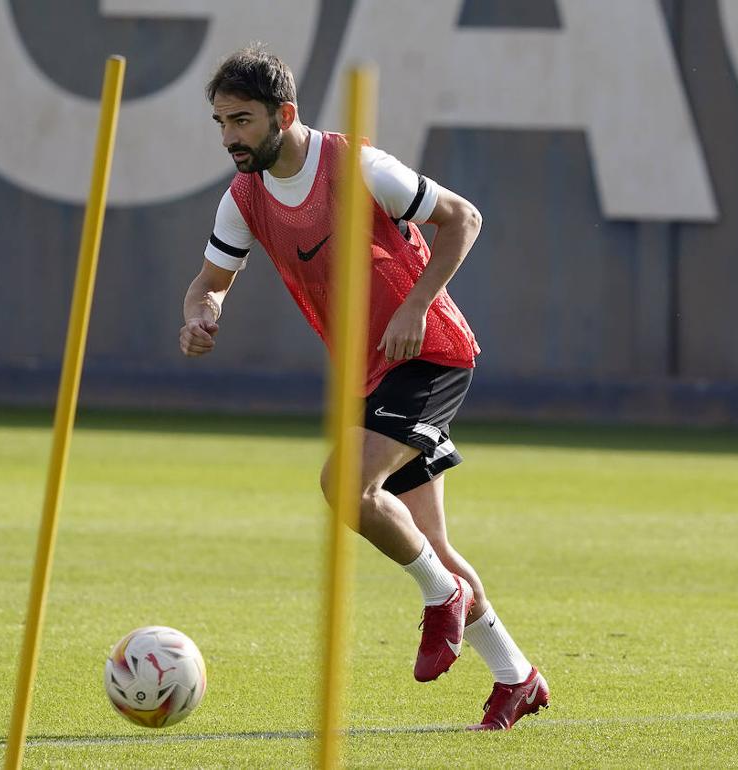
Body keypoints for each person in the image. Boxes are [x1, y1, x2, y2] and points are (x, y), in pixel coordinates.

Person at [179, 44, 548, 730]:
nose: (230, 137)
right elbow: (210, 284)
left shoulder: (353, 166)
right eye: (221, 122)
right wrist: (201, 312)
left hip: (430, 352)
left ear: (283, 115)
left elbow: (463, 218)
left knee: (344, 486)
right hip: (371, 371)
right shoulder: (245, 195)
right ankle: (516, 677)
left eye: (242, 121)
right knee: (427, 540)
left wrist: (416, 306)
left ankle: (441, 600)